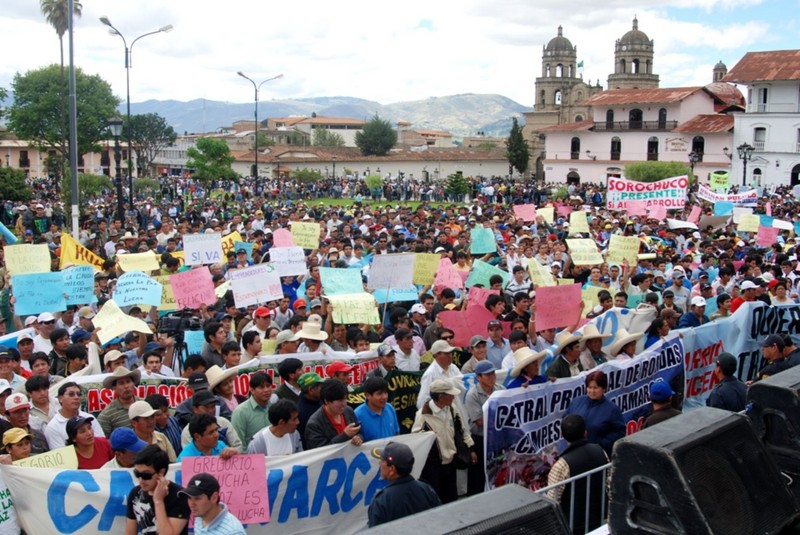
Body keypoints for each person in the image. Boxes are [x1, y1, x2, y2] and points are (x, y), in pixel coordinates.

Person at [412, 379, 476, 504]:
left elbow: (462, 430)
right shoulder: (423, 415)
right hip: (433, 467)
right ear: (441, 397)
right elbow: (416, 439)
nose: (453, 397)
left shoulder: (452, 408)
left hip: (450, 463)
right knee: (436, 500)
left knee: (451, 498)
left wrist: (471, 448)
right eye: (450, 395)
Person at [546, 414, 609, 535]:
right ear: (585, 432)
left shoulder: (561, 465)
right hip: (600, 519)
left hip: (574, 526)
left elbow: (553, 502)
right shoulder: (600, 451)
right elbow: (609, 482)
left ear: (562, 435)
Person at [367, 442, 441, 527]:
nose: (379, 464)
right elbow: (439, 522)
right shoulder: (426, 490)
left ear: (392, 469)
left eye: (382, 460)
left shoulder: (381, 501)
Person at [126, 444, 190, 535]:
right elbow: (130, 532)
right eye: (137, 474)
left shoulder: (180, 496)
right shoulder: (135, 493)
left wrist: (158, 501)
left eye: (146, 475)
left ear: (161, 472)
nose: (141, 480)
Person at [565, 370, 625, 456]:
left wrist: (600, 445)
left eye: (596, 388)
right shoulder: (576, 402)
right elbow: (566, 418)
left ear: (604, 389)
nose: (592, 391)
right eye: (589, 387)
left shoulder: (612, 409)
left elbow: (620, 432)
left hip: (597, 455)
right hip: (574, 453)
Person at [465, 360, 503, 495]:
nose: (492, 376)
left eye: (493, 373)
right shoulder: (472, 395)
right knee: (478, 475)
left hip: (497, 438)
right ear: (478, 377)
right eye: (488, 374)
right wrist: (501, 421)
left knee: (497, 471)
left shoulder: (500, 390)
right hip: (480, 439)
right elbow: (479, 421)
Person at [178, 473, 246, 535]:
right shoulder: (200, 517)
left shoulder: (233, 532)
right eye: (189, 498)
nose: (191, 504)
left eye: (197, 498)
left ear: (214, 498)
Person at [304, 379, 363, 449]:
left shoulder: (348, 411)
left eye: (345, 399)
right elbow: (320, 452)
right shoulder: (314, 424)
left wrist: (358, 438)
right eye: (340, 400)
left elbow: (359, 433)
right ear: (326, 401)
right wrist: (344, 435)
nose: (344, 404)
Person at [45, 381, 105, 449]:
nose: (76, 397)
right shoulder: (53, 427)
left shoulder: (89, 417)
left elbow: (102, 444)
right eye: (71, 394)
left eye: (79, 394)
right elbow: (61, 455)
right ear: (60, 398)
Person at [231, 371, 277, 447]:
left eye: (268, 386)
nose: (266, 390)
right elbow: (239, 443)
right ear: (252, 390)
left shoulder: (274, 408)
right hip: (251, 457)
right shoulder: (241, 412)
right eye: (261, 387)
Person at [417, 339, 463, 410]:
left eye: (450, 353)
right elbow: (422, 401)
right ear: (436, 355)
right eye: (446, 354)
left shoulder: (454, 368)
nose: (450, 356)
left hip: (457, 410)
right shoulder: (430, 374)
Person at [97, 367, 142, 436]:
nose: (126, 386)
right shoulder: (106, 415)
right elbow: (104, 441)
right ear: (114, 388)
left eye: (128, 381)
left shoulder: (144, 404)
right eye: (121, 383)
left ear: (133, 384)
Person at [354, 376, 400, 441]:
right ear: (368, 395)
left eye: (385, 392)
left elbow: (396, 433)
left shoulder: (390, 408)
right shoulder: (357, 415)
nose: (384, 397)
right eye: (379, 394)